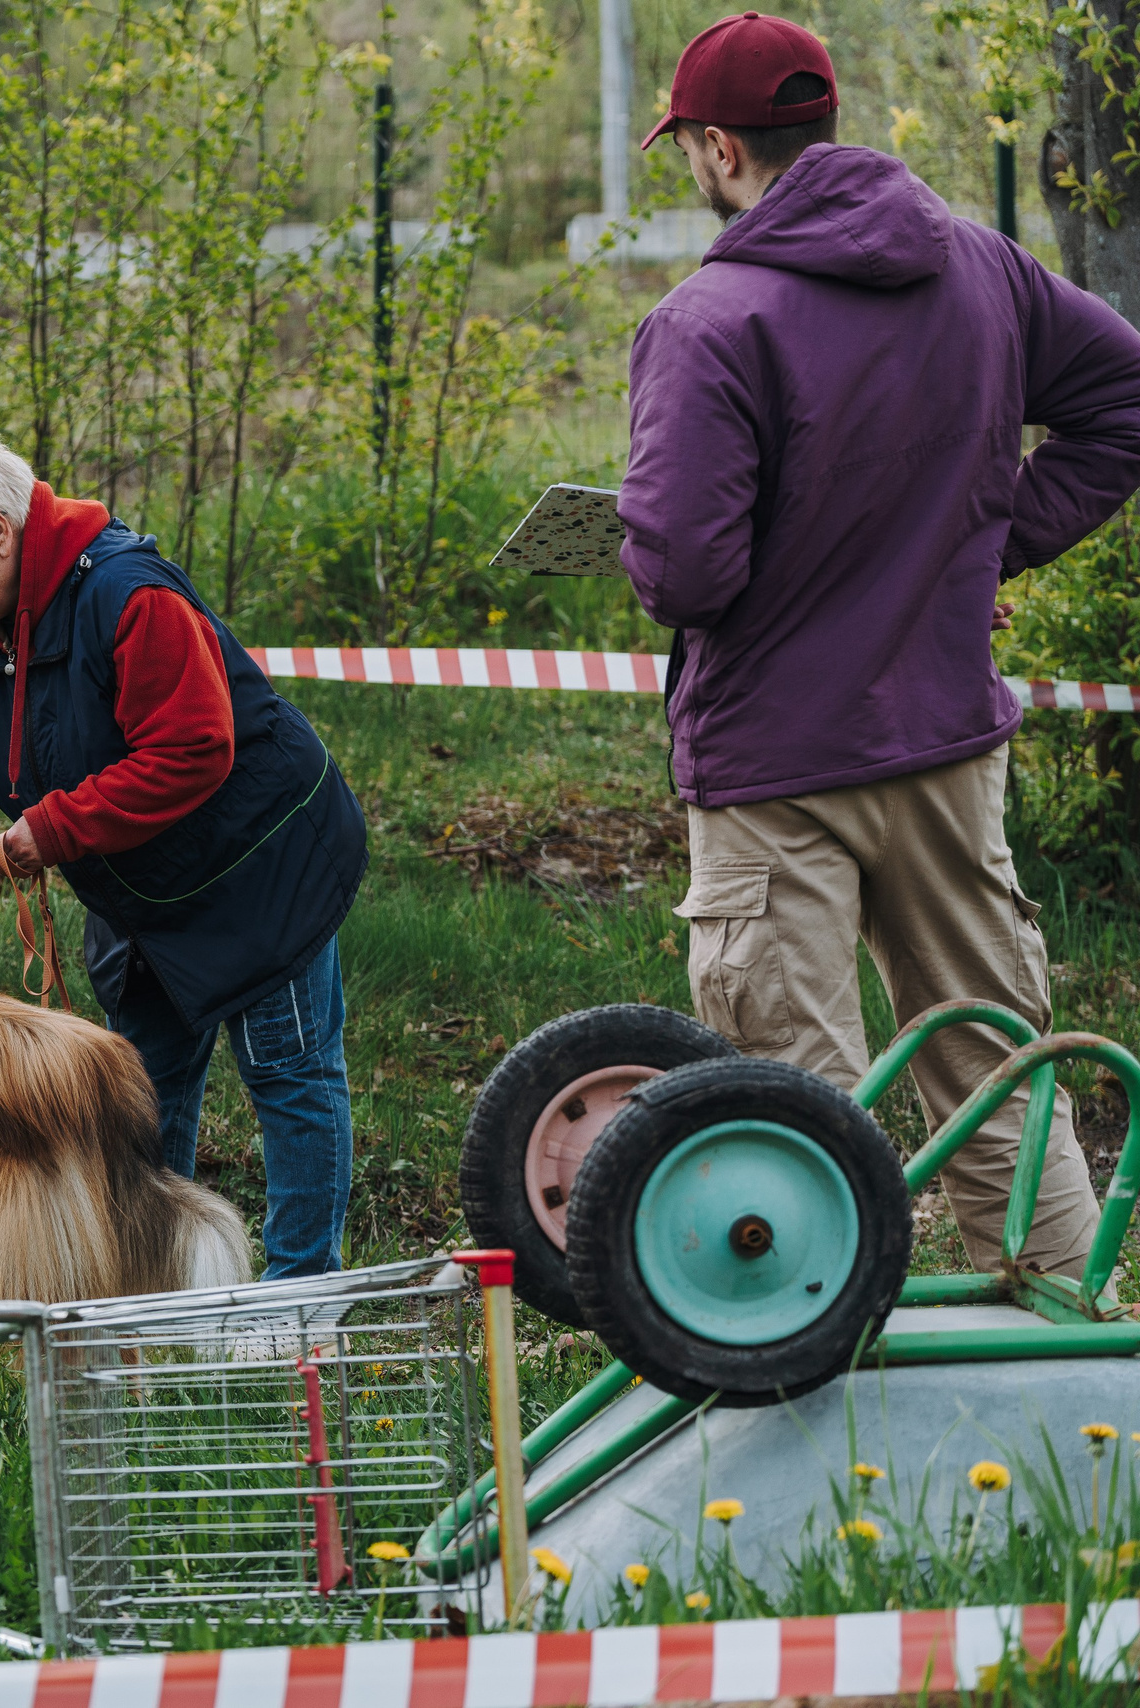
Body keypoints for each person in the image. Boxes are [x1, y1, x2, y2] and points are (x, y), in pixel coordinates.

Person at [621, 12, 1140, 1280]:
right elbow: (1122, 401)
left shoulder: (706, 321)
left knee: (802, 1115)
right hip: (946, 751)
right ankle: (1084, 1411)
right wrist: (985, 543)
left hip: (773, 769)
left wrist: (640, 528)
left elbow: (686, 570)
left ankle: (825, 1404)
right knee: (998, 1074)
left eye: (687, 145)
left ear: (717, 148)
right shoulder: (984, 267)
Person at [0, 433, 369, 1279]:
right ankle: (150, 1285)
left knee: (288, 1075)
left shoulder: (129, 595)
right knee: (137, 1089)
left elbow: (191, 749)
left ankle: (297, 1295)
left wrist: (53, 830)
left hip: (264, 864)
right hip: (141, 887)